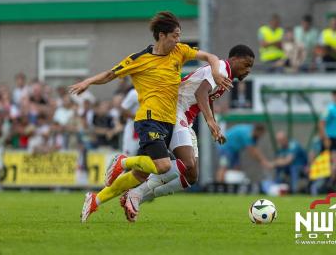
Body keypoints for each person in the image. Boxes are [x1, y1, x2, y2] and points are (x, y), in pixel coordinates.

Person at [69, 11, 232, 223]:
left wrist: (216, 72)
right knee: (164, 167)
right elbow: (111, 74)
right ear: (162, 35)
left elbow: (210, 57)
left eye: (179, 35)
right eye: (175, 36)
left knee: (141, 175)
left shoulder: (180, 51)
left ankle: (95, 200)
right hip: (149, 119)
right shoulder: (139, 60)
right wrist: (88, 82)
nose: (178, 40)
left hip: (169, 121)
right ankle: (124, 161)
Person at [120, 45, 255, 221]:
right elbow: (201, 93)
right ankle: (135, 191)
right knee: (187, 163)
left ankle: (136, 197)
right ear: (235, 59)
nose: (248, 70)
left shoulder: (225, 76)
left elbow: (208, 97)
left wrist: (213, 123)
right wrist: (210, 121)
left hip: (185, 117)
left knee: (191, 176)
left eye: (251, 67)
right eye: (246, 64)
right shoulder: (221, 68)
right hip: (175, 110)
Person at [120, 88, 140, 156]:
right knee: (128, 156)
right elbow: (123, 109)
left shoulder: (154, 91)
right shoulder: (134, 93)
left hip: (149, 129)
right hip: (133, 130)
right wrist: (139, 117)